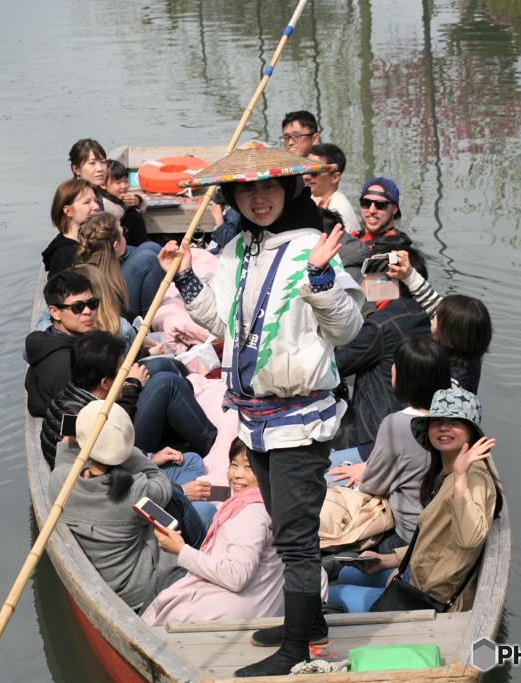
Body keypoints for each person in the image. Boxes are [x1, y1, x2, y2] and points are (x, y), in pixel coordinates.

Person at [157, 146, 363, 677]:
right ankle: (309, 626)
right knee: (281, 525)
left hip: (300, 419)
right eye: (247, 190)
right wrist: (184, 278)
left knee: (295, 541)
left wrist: (320, 280)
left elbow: (346, 329)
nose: (259, 198)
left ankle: (299, 651)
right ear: (233, 197)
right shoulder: (238, 251)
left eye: (269, 188)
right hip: (255, 417)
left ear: (289, 190)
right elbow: (224, 324)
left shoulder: (312, 247)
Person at [331, 388, 503, 613]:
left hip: (432, 598)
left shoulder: (470, 476)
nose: (443, 427)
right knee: (345, 573)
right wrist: (385, 560)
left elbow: (469, 540)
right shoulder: (446, 470)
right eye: (437, 421)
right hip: (417, 575)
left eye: (454, 421)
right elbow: (433, 542)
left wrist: (460, 477)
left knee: (329, 594)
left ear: (471, 431)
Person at [49, 401, 206, 611]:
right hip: (144, 588)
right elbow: (161, 483)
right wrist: (124, 449)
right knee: (180, 499)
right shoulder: (136, 491)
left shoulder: (59, 481)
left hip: (111, 581)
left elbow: (64, 460)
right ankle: (203, 558)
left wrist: (74, 440)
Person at [40, 331, 218, 489]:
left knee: (157, 366)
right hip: (113, 462)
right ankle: (213, 444)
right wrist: (132, 385)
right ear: (105, 382)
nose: (126, 375)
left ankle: (186, 410)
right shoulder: (85, 418)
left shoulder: (76, 391)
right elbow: (103, 463)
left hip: (110, 443)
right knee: (166, 383)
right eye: (121, 372)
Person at [141, 439, 285, 626]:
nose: (237, 475)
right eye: (234, 465)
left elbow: (236, 576)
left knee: (167, 581)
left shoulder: (251, 514)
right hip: (250, 604)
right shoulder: (273, 503)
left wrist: (181, 549)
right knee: (170, 576)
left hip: (222, 613)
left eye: (249, 467)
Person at [328, 336, 452, 552]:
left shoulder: (397, 424)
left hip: (405, 536)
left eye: (396, 364)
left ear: (403, 378)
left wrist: (363, 476)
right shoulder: (453, 422)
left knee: (328, 482)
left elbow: (373, 485)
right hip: (436, 531)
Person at [334, 246, 432, 457]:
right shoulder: (427, 315)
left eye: (369, 274)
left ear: (389, 280)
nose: (362, 281)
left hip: (374, 436)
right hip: (415, 430)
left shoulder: (380, 326)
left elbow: (335, 365)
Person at [386, 250, 493, 394]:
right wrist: (409, 275)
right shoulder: (469, 353)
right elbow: (431, 300)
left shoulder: (453, 386)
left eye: (436, 317)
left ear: (448, 333)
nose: (432, 315)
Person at [24, 271, 99, 417]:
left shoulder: (57, 341)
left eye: (92, 304)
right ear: (55, 312)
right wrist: (131, 387)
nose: (88, 311)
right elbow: (85, 420)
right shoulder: (67, 365)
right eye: (78, 307)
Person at [43, 178, 98, 276]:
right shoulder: (64, 255)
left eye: (95, 200)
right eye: (87, 202)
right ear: (68, 211)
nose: (96, 206)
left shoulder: (91, 239)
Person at [304, 143, 361, 235]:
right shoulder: (312, 196)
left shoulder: (339, 210)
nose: (306, 176)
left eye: (314, 171)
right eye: (306, 169)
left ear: (335, 177)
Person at [355, 177, 412, 251]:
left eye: (380, 205)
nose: (372, 210)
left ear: (394, 209)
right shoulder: (354, 237)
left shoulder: (397, 253)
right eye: (366, 203)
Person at [104, 159, 149, 246]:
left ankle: (142, 247)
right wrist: (127, 207)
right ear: (103, 184)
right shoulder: (105, 203)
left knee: (134, 214)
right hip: (113, 243)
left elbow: (143, 206)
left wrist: (138, 201)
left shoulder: (119, 197)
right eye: (118, 183)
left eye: (126, 181)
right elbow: (116, 214)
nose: (124, 186)